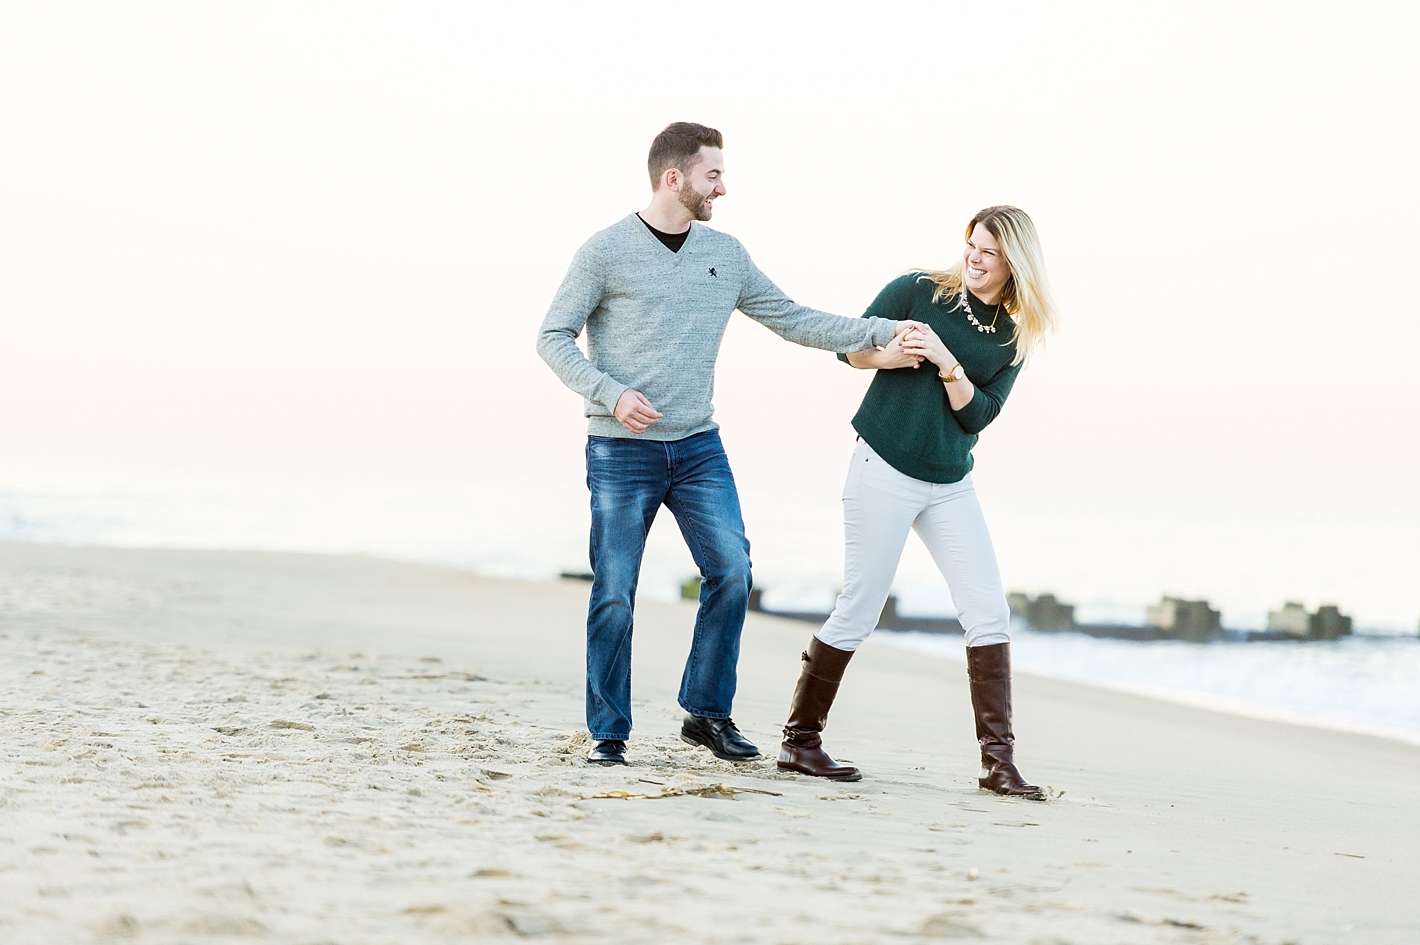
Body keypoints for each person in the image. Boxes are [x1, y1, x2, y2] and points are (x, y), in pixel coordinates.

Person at [536, 122, 923, 766]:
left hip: (697, 448)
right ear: (674, 177)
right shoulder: (604, 252)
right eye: (713, 174)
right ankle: (609, 732)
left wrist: (885, 328)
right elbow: (552, 335)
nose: (723, 186)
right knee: (615, 588)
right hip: (620, 450)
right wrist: (610, 392)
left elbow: (794, 317)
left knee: (733, 571)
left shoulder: (727, 255)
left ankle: (707, 714)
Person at [776, 206, 1058, 797]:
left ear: (1015, 263)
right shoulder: (918, 290)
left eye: (989, 252)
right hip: (884, 466)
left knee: (988, 611)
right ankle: (800, 742)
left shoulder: (1014, 336)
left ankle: (998, 765)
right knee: (860, 605)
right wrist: (896, 354)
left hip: (951, 480)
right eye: (972, 246)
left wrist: (947, 362)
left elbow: (978, 413)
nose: (975, 259)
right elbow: (847, 349)